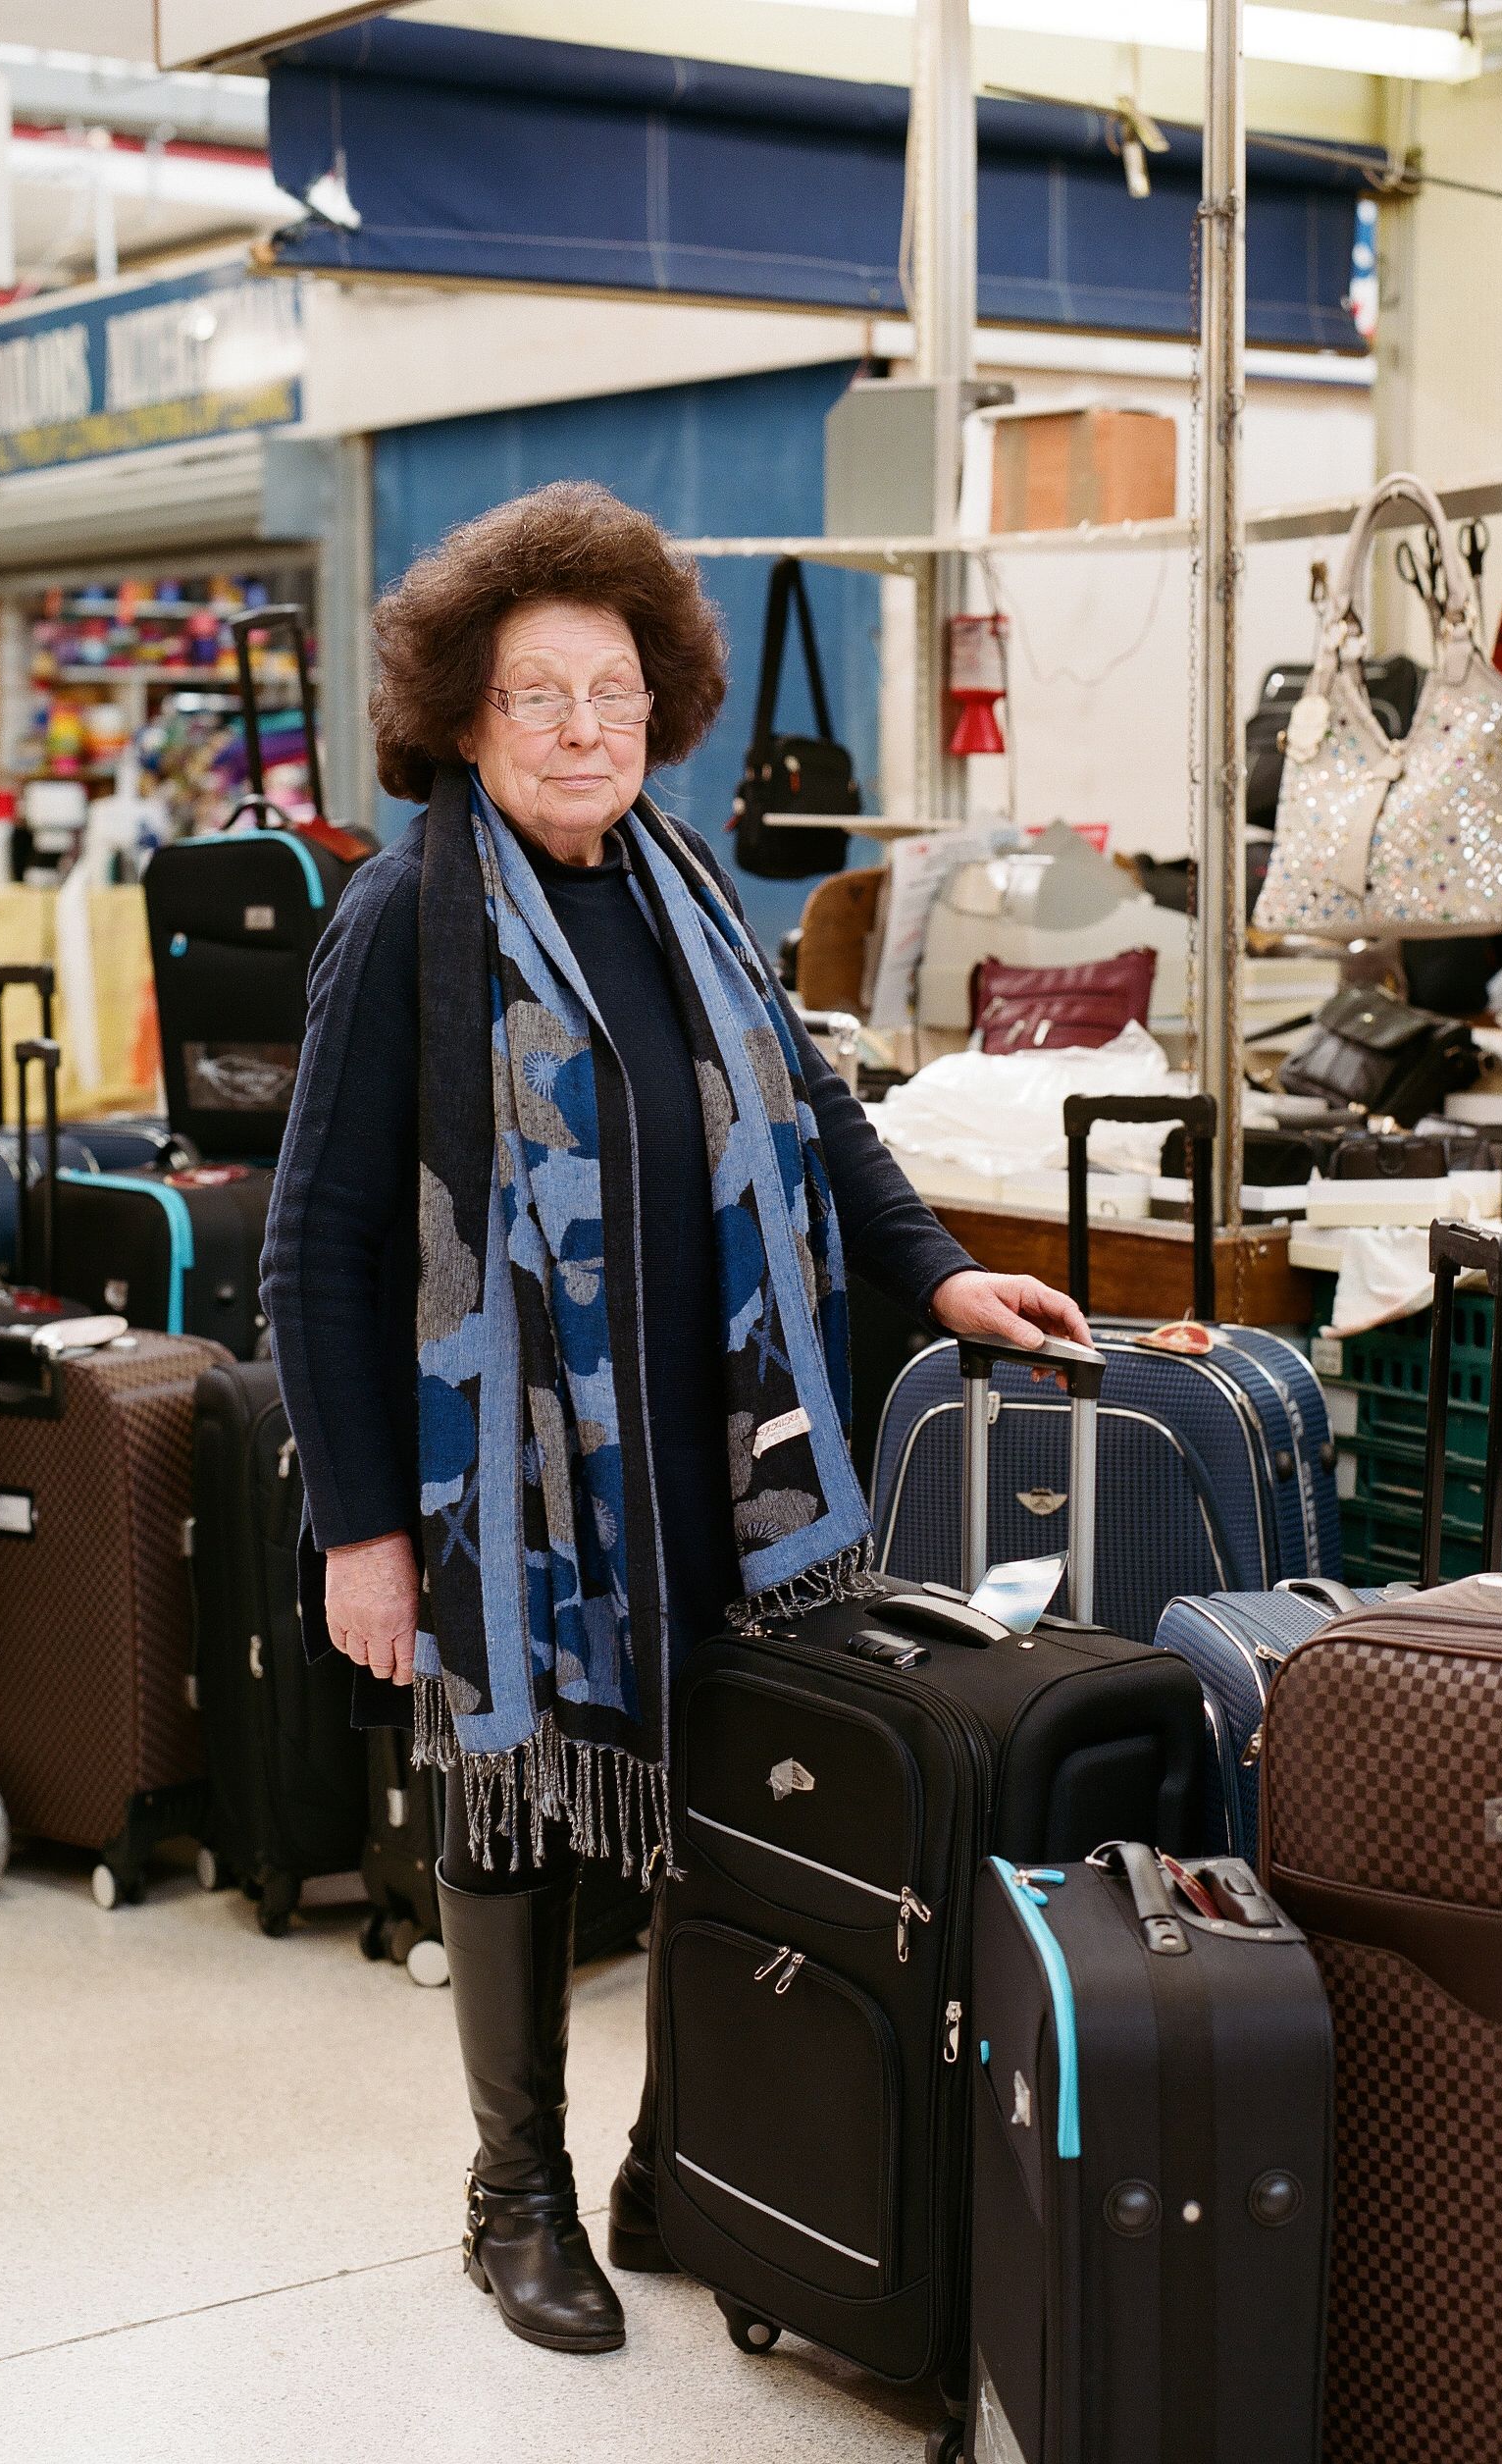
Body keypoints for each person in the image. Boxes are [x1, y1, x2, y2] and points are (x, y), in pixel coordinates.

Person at [261, 481, 1088, 2359]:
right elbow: (314, 1244)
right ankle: (517, 2198)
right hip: (510, 1492)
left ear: (663, 705)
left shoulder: (690, 889)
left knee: (715, 1811)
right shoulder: (405, 916)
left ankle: (680, 2169)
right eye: (538, 695)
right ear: (463, 714)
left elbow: (816, 1119)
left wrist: (944, 1278)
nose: (583, 730)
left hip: (722, 1458)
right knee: (513, 1812)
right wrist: (364, 1536)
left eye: (614, 693)